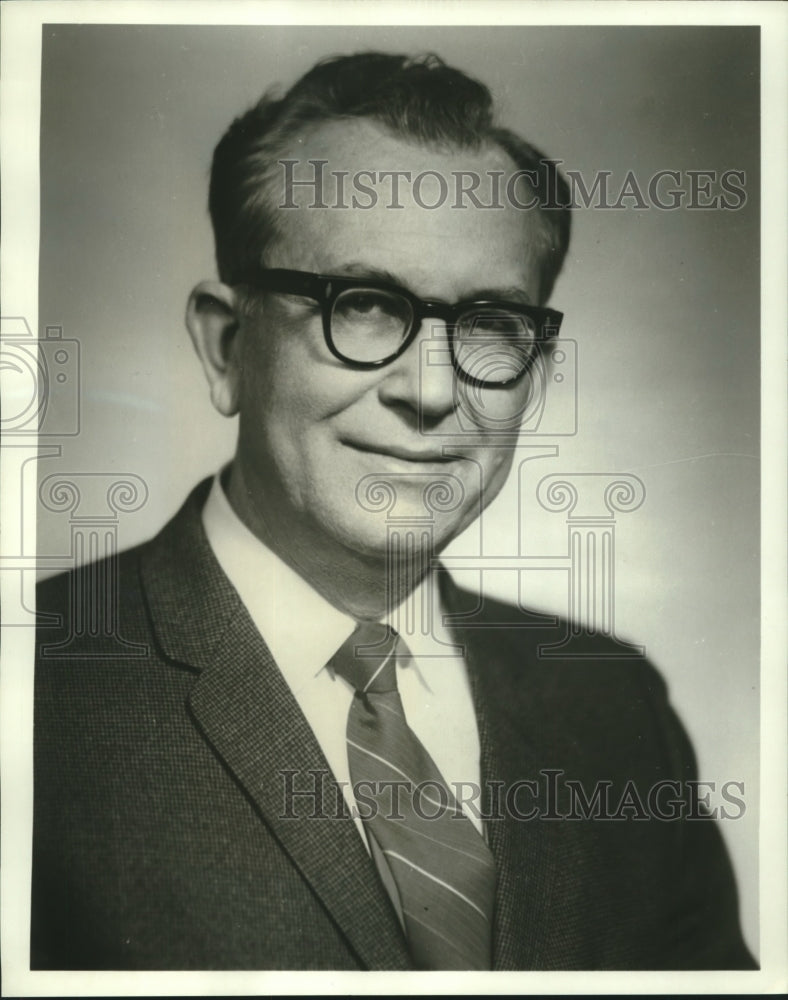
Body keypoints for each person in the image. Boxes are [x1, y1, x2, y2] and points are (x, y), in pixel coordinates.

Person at [32, 52, 755, 971]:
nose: (431, 391)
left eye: (492, 321)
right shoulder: (38, 694)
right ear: (226, 348)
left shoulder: (615, 709)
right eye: (364, 304)